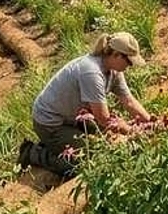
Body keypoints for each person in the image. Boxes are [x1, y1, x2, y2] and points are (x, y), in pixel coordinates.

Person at [17, 31, 152, 178]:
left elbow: (129, 101)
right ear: (116, 55)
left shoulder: (114, 72)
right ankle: (33, 153)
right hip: (50, 123)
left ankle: (61, 141)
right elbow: (104, 119)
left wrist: (151, 124)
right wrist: (133, 131)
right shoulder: (92, 72)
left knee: (106, 142)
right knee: (86, 161)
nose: (130, 66)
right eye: (129, 61)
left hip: (74, 117)